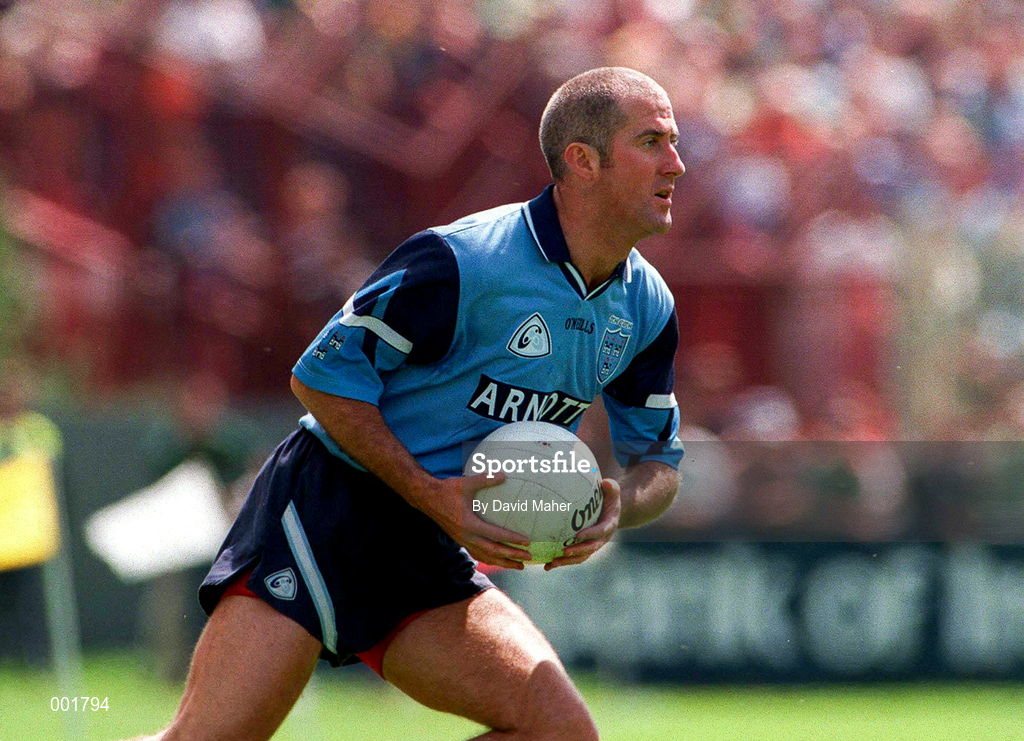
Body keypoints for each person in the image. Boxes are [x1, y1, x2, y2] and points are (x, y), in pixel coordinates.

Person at [128, 66, 686, 741]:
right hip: (321, 511)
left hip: (422, 549)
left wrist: (617, 503)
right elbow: (322, 376)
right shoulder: (463, 260)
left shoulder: (648, 307)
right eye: (652, 141)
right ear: (583, 161)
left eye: (674, 141)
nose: (677, 164)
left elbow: (657, 460)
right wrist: (430, 490)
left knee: (562, 732)